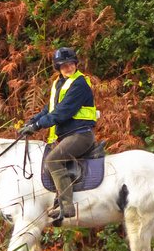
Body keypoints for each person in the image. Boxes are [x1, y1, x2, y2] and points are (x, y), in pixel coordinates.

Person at [25, 45, 101, 220]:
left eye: (71, 64)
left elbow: (62, 112)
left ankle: (66, 206)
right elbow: (50, 109)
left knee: (54, 160)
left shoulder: (80, 83)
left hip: (81, 135)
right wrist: (32, 121)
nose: (68, 67)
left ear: (75, 64)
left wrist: (37, 126)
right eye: (64, 65)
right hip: (69, 135)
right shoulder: (60, 84)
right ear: (58, 68)